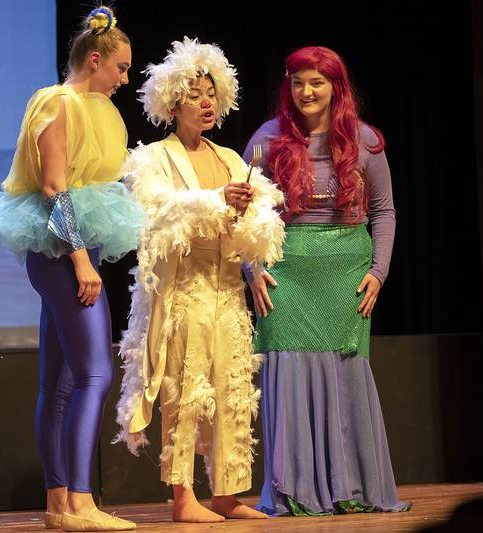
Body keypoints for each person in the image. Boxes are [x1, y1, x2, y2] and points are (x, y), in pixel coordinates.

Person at [0, 6, 142, 531]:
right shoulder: (58, 104)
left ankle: (58, 506)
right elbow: (53, 187)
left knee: (61, 384)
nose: (125, 78)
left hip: (69, 253)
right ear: (95, 59)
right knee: (96, 373)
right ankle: (82, 503)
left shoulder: (94, 110)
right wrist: (79, 260)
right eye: (120, 67)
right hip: (61, 255)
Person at [113, 38, 285, 523]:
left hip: (226, 285)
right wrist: (216, 202)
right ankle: (183, 497)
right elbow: (159, 212)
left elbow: (258, 222)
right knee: (183, 387)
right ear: (172, 101)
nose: (205, 101)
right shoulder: (154, 158)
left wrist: (249, 220)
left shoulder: (232, 158)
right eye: (193, 93)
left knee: (231, 387)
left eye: (210, 92)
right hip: (184, 285)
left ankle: (227, 494)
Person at [243, 45, 411, 516]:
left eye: (316, 82)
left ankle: (350, 486)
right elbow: (243, 213)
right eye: (297, 82)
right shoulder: (266, 139)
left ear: (336, 87)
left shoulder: (365, 141)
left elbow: (384, 211)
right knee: (289, 374)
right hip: (286, 273)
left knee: (345, 371)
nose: (306, 91)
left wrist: (379, 271)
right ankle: (293, 490)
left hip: (345, 274)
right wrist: (251, 268)